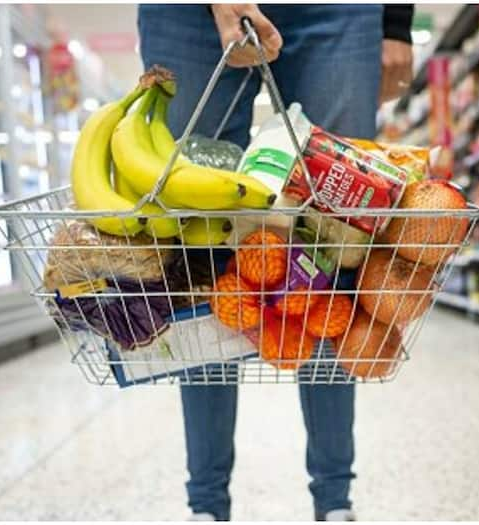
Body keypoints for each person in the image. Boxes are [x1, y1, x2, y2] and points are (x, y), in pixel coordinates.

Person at [137, 4, 414, 521]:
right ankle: (206, 504)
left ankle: (335, 501)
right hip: (188, 13)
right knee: (198, 242)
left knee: (335, 230)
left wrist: (396, 22)